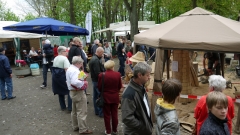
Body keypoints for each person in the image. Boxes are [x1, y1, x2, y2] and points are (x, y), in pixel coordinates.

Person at [121, 62, 153, 135]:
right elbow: (127, 118)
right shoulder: (129, 94)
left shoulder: (141, 87)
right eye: (147, 75)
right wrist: (142, 126)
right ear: (139, 75)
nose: (149, 77)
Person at [66, 56, 93, 134]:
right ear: (78, 63)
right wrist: (83, 83)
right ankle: (83, 129)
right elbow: (75, 82)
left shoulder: (70, 69)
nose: (82, 65)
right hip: (78, 92)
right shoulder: (75, 71)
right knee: (82, 111)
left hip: (72, 92)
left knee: (74, 111)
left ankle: (75, 126)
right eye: (81, 63)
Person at [97, 60, 122, 135]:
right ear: (112, 66)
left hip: (105, 97)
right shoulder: (118, 74)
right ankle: (115, 130)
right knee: (115, 114)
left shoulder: (101, 75)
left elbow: (99, 87)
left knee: (107, 114)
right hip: (115, 96)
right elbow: (119, 86)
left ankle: (108, 131)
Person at [52, 46, 72, 112]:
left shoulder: (55, 58)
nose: (66, 52)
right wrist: (69, 79)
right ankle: (70, 107)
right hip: (62, 76)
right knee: (69, 90)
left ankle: (63, 106)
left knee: (60, 92)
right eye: (65, 51)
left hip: (55, 76)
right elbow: (66, 69)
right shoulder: (64, 59)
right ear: (62, 52)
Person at [89, 47, 105, 118]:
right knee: (100, 96)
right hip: (97, 80)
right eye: (102, 53)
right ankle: (100, 112)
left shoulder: (94, 58)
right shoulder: (95, 60)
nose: (103, 54)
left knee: (95, 96)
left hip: (94, 80)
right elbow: (98, 73)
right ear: (99, 52)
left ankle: (97, 111)